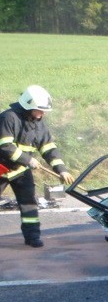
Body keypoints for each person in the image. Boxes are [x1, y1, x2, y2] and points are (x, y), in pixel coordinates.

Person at [0, 85, 75, 247]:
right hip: (1, 168)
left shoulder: (38, 123)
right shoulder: (8, 118)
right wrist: (28, 160)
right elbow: (5, 147)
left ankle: (32, 237)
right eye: (39, 110)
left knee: (29, 204)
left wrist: (61, 170)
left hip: (20, 171)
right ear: (28, 106)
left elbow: (48, 148)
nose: (43, 114)